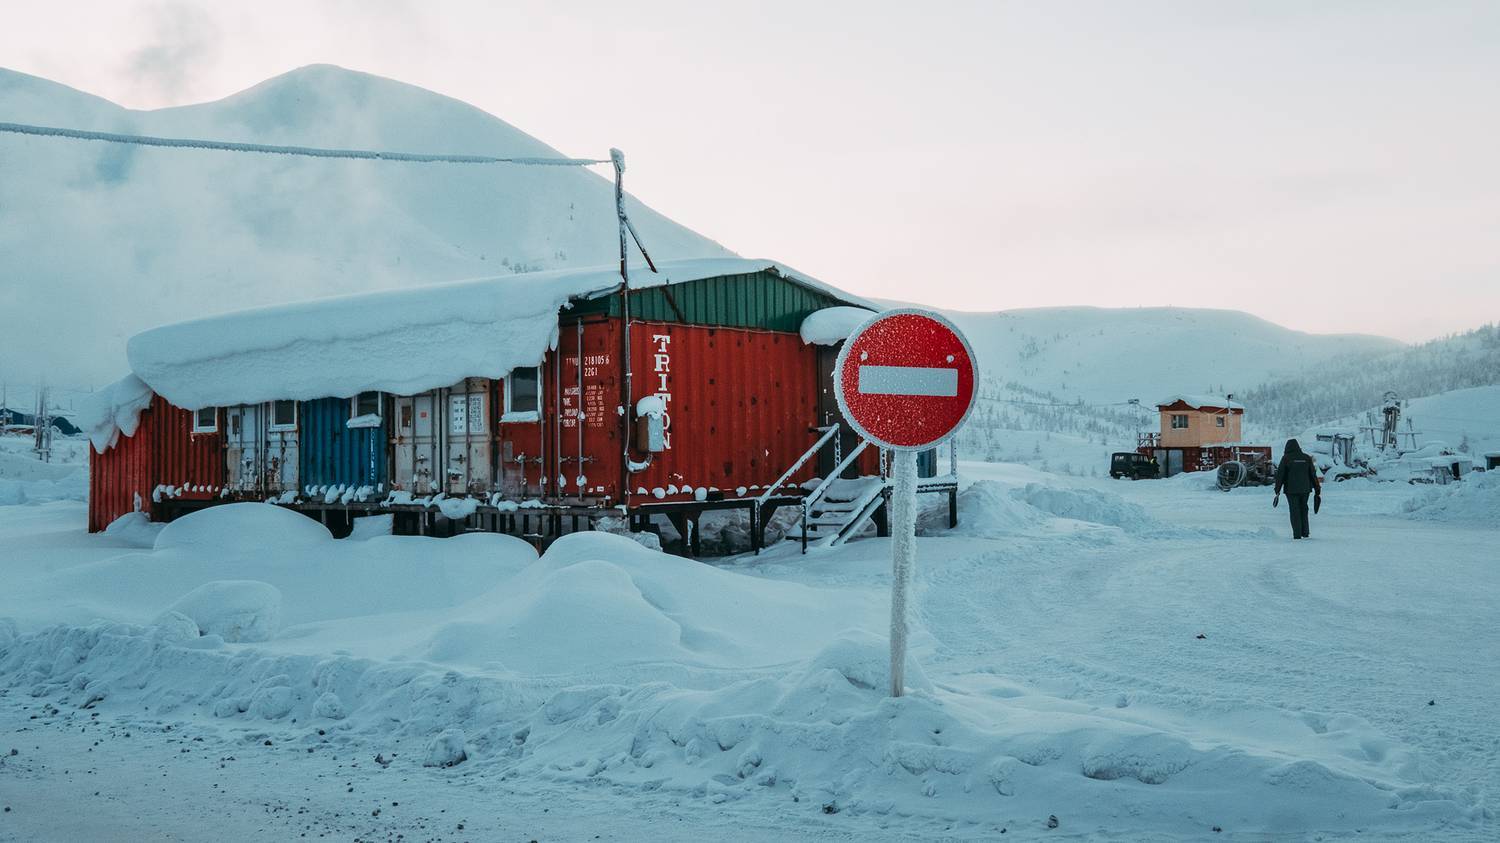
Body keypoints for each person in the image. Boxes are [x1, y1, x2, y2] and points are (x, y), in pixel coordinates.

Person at [1273, 438, 1322, 540]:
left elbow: (1280, 475)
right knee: (1304, 509)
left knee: (1294, 510)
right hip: (1305, 489)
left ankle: (1297, 534)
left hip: (1291, 490)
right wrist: (1317, 489)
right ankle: (1305, 532)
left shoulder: (1286, 458)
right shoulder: (1306, 458)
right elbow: (1313, 474)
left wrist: (1277, 490)